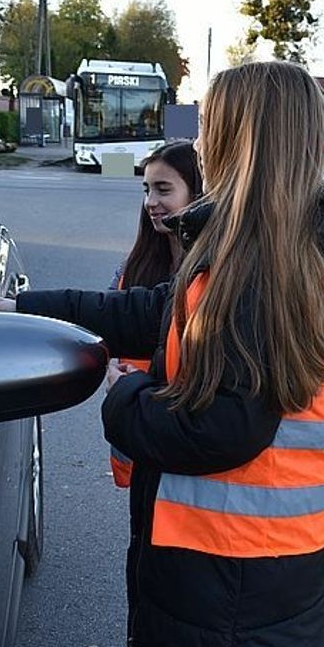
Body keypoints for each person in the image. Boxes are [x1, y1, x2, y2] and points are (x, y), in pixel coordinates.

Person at [0, 61, 324, 647]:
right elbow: (146, 311)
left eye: (211, 122)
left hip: (225, 608)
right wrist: (18, 308)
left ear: (234, 139)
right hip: (257, 594)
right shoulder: (274, 252)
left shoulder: (255, 275)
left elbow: (215, 429)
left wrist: (121, 396)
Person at [107, 141, 203, 488]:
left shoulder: (216, 273)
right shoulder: (133, 267)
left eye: (164, 189)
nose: (150, 203)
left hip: (185, 438)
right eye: (147, 190)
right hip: (138, 430)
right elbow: (110, 326)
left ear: (199, 193)